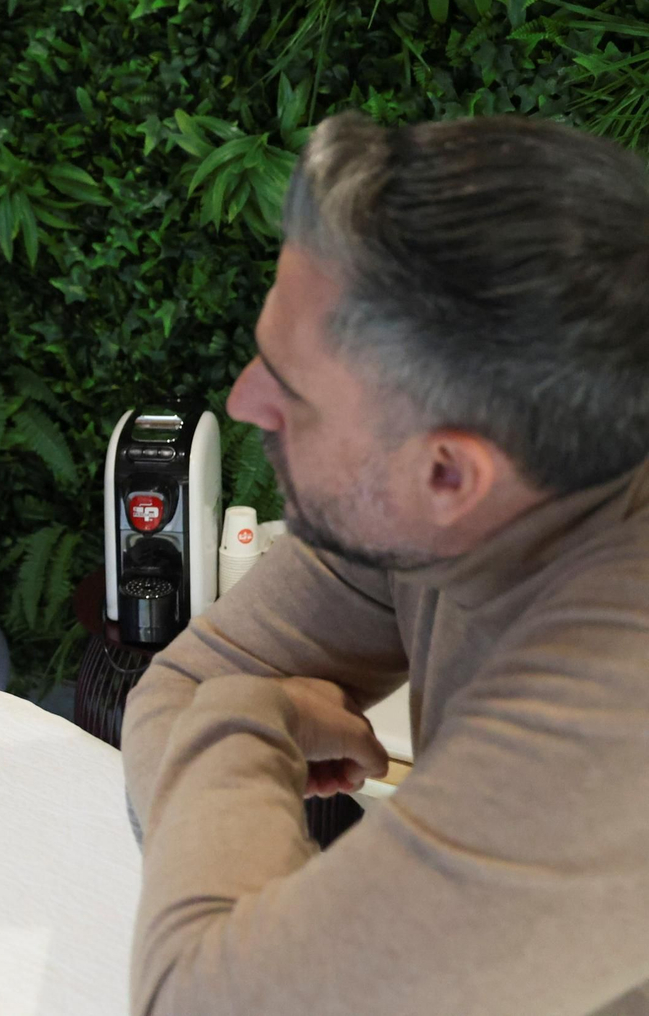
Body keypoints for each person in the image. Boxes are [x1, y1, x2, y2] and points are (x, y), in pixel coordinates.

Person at [122, 112, 649, 1015]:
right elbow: (176, 687)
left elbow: (191, 1002)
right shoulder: (472, 499)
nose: (245, 401)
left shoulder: (612, 717)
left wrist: (248, 719)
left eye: (289, 389)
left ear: (449, 472)